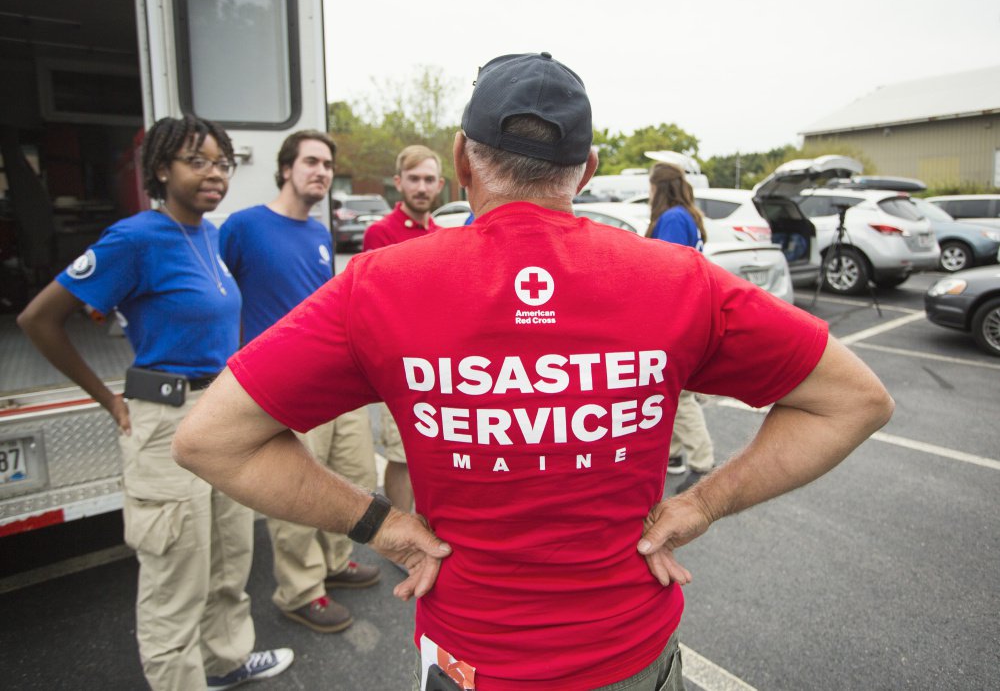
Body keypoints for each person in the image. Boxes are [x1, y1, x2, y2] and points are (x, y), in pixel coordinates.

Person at [172, 53, 894, 690]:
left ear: (461, 160)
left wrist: (382, 527)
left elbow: (209, 438)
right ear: (587, 170)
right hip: (630, 655)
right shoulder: (679, 281)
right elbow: (854, 400)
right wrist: (702, 505)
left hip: (472, 658)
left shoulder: (382, 285)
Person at [18, 115, 292, 690]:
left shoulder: (211, 237)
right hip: (164, 422)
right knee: (176, 575)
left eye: (221, 162)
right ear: (161, 169)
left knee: (228, 556)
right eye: (197, 161)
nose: (214, 173)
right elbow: (38, 319)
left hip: (221, 418)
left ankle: (226, 661)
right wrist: (107, 400)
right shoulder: (134, 238)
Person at [219, 130, 380, 634]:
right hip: (281, 390)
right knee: (294, 489)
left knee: (349, 476)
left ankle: (336, 561)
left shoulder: (317, 233)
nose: (322, 172)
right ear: (286, 167)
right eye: (311, 162)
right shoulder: (244, 227)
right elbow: (220, 294)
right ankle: (300, 589)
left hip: (334, 386)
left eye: (328, 165)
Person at [361, 144, 445, 512]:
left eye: (429, 179)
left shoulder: (443, 235)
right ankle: (403, 536)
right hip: (403, 366)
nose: (421, 187)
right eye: (414, 179)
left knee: (434, 455)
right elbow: (378, 307)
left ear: (441, 184)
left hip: (440, 367)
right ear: (398, 182)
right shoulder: (380, 234)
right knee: (400, 454)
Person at [645, 162, 716, 493]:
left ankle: (702, 464)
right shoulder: (687, 214)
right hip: (689, 311)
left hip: (674, 317)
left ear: (659, 187)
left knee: (682, 396)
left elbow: (667, 272)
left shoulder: (672, 218)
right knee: (666, 393)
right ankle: (672, 457)